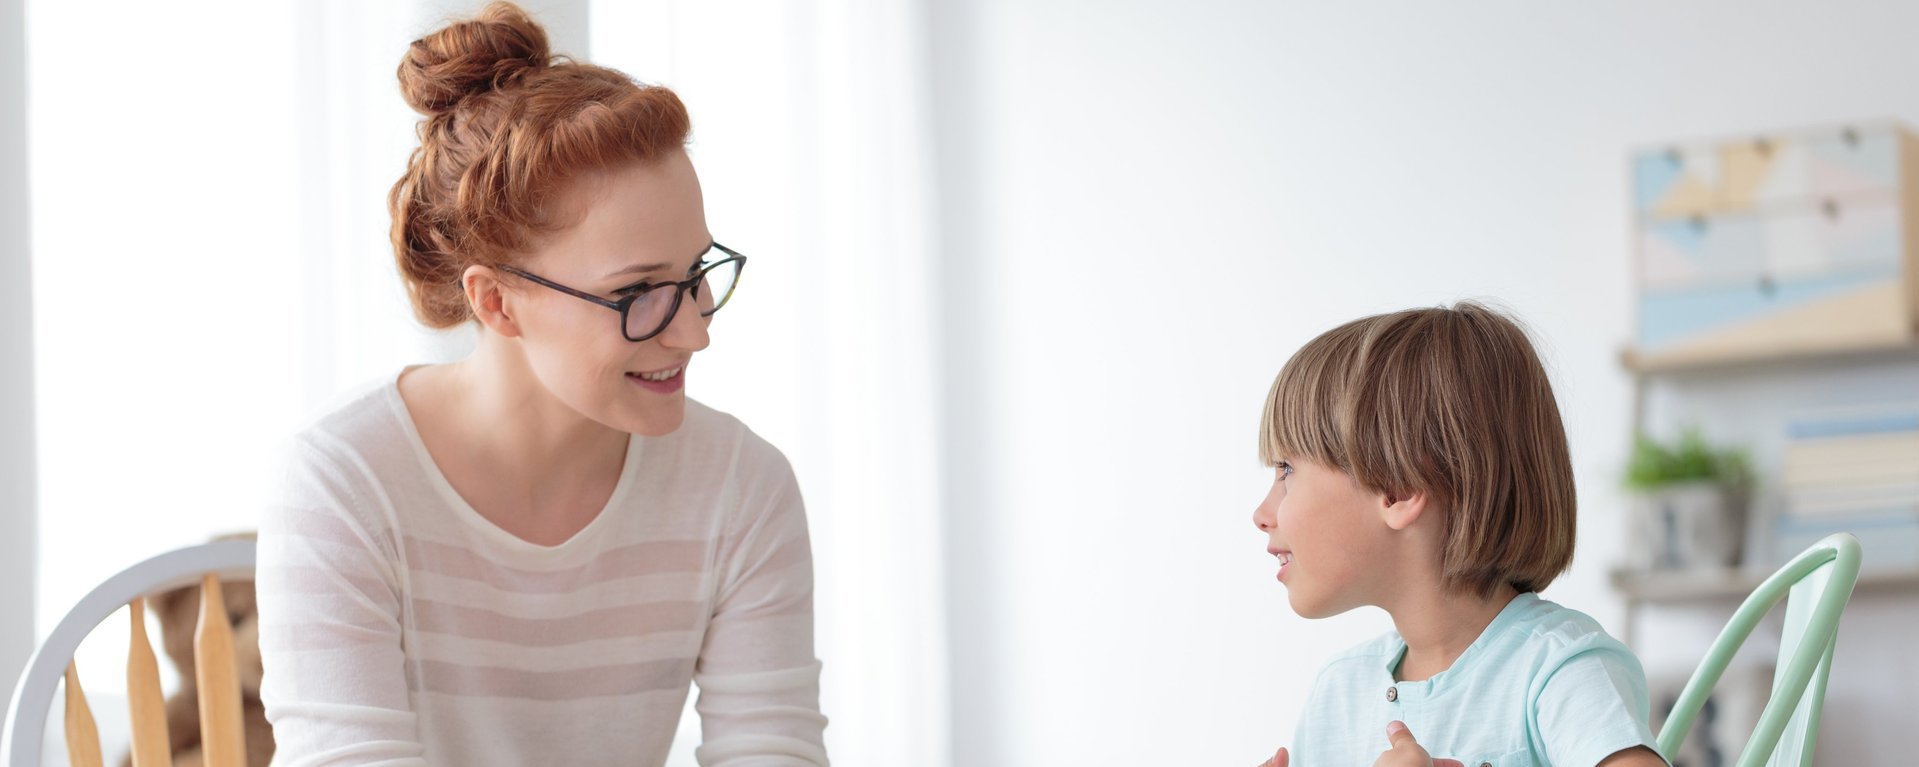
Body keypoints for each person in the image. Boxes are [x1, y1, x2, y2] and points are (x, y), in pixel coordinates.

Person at [254, 4, 828, 764]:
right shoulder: (343, 479)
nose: (694, 331)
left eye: (695, 276)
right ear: (495, 301)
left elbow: (771, 749)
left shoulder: (739, 487)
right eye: (637, 294)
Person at [1250, 302, 1666, 767]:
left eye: (1286, 470)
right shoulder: (1338, 693)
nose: (1261, 514)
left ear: (1397, 489)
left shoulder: (1557, 667)